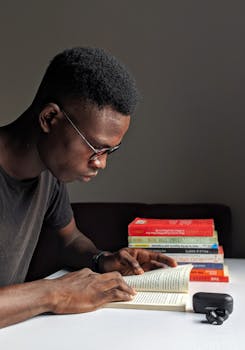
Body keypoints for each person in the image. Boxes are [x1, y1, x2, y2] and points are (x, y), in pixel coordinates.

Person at [0, 47, 176, 328]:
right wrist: (53, 293)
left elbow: (69, 240)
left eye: (110, 151)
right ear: (49, 119)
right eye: (96, 147)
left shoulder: (48, 175)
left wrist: (103, 260)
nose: (101, 163)